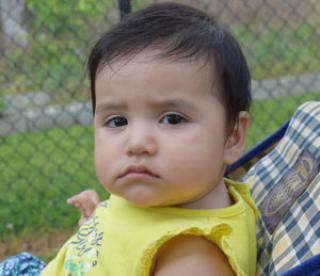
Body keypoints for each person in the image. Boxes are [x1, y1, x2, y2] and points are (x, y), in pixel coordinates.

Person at [41, 3, 258, 275]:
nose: (136, 143)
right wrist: (96, 226)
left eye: (172, 119)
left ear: (232, 136)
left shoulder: (191, 258)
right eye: (117, 121)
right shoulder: (157, 196)